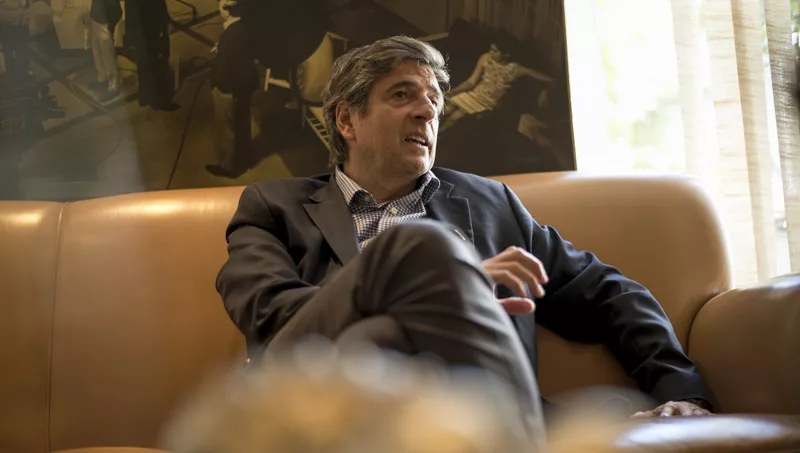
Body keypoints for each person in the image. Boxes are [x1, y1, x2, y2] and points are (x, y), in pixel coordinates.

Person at [215, 36, 713, 441]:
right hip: (330, 422)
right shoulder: (274, 206)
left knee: (403, 292)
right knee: (416, 263)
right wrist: (448, 280)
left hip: (474, 424)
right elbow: (272, 318)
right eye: (402, 95)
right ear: (347, 120)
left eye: (434, 100)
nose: (427, 112)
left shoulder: (490, 205)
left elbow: (607, 293)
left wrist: (680, 391)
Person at [441, 41, 553, 132]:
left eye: (495, 51)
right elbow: (471, 82)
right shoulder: (486, 58)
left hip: (487, 103)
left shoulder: (515, 69)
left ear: (506, 54)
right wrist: (453, 92)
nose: (491, 52)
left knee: (455, 117)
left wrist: (545, 90)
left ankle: (438, 137)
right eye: (491, 49)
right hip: (474, 95)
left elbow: (548, 79)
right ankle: (432, 132)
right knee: (446, 108)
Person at [206, 0, 259, 178]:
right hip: (245, 86)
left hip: (230, 88)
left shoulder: (230, 34)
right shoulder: (245, 26)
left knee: (228, 128)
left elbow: (226, 67)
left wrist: (217, 84)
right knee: (242, 123)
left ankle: (229, 167)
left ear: (226, 12)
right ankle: (244, 158)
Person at [124, 0, 178, 111]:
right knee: (159, 67)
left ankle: (144, 97)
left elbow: (131, 15)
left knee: (143, 66)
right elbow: (159, 8)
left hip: (141, 34)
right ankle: (160, 101)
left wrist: (132, 38)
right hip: (153, 32)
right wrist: (165, 24)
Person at [87, 0, 122, 100]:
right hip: (95, 20)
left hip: (104, 24)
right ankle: (102, 78)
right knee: (97, 51)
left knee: (108, 56)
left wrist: (110, 25)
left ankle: (113, 86)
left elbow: (116, 11)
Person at [0, 0, 31, 82]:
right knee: (20, 48)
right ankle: (21, 72)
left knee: (9, 49)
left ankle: (12, 70)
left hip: (9, 22)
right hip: (16, 22)